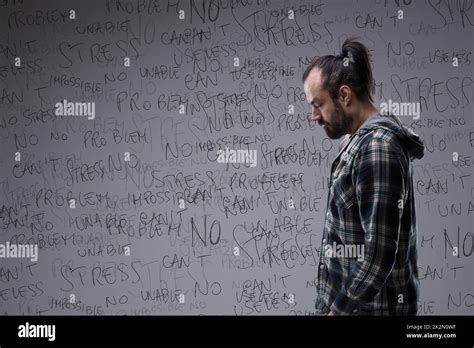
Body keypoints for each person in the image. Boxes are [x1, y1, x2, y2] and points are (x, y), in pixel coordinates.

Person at [302, 38, 425, 315]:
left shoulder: (378, 148)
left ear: (344, 95)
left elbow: (377, 255)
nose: (313, 116)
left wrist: (338, 311)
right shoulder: (359, 141)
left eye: (318, 104)